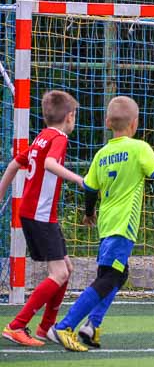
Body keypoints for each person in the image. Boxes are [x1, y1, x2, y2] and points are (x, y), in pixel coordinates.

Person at [48, 96, 154, 352]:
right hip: (123, 228)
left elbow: (90, 187)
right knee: (110, 276)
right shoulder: (138, 148)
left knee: (117, 275)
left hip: (107, 225)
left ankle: (92, 326)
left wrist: (89, 213)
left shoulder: (102, 154)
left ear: (108, 122)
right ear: (134, 124)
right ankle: (64, 326)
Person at [0, 91, 83, 347]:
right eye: (75, 115)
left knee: (65, 270)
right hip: (39, 215)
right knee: (58, 273)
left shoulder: (41, 137)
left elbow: (14, 164)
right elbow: (48, 164)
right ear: (69, 116)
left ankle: (46, 328)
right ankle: (16, 325)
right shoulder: (57, 137)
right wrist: (80, 179)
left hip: (39, 214)